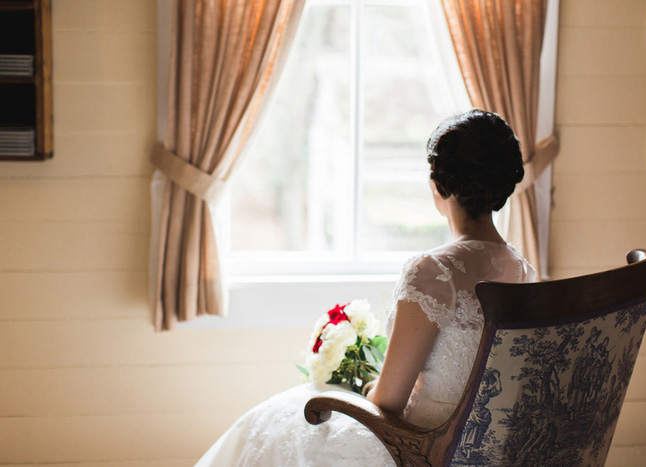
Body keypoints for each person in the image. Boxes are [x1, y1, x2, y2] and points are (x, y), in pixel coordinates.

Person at [195, 109, 537, 466]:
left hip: (422, 450)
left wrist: (365, 386)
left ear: (439, 186)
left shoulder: (433, 273)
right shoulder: (527, 273)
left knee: (278, 420)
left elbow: (387, 404)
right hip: (493, 452)